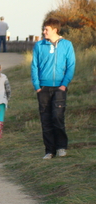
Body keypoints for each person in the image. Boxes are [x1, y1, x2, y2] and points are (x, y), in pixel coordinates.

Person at [31, 17, 75, 159]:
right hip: (43, 88)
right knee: (46, 120)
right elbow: (34, 66)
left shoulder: (67, 45)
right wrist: (37, 86)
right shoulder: (39, 45)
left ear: (55, 30)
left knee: (57, 117)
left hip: (59, 88)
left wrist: (64, 85)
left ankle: (61, 147)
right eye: (43, 29)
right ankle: (49, 151)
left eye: (46, 29)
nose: (44, 32)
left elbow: (71, 66)